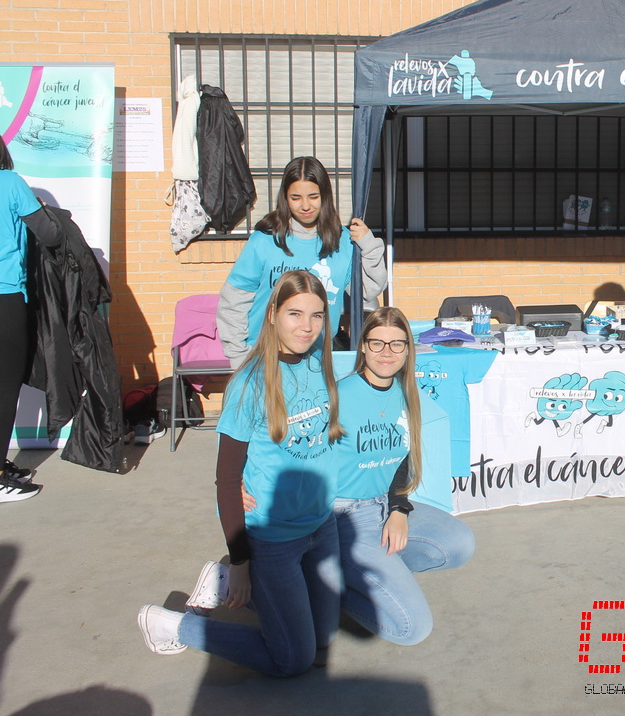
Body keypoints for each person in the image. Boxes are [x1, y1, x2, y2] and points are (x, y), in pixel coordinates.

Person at [137, 270, 346, 677]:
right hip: (274, 539)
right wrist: (240, 561)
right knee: (294, 659)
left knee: (325, 637)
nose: (307, 326)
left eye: (317, 315)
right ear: (272, 314)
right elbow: (228, 479)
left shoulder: (321, 366)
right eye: (295, 314)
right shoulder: (249, 384)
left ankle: (223, 583)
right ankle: (173, 624)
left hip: (322, 527)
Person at [331, 307, 475, 644]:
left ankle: (369, 576)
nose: (387, 352)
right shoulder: (337, 396)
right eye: (377, 343)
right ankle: (323, 587)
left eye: (397, 344)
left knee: (459, 544)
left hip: (384, 505)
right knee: (411, 629)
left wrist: (398, 510)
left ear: (408, 349)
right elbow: (299, 453)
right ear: (362, 346)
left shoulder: (405, 393)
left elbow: (401, 462)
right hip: (344, 516)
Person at [218, 156, 387, 366]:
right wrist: (239, 357)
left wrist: (369, 245)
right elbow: (233, 301)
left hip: (317, 360)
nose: (305, 206)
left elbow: (368, 290)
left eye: (313, 197)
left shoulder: (343, 240)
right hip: (265, 360)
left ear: (325, 196)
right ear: (285, 198)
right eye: (296, 197)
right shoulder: (264, 240)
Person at [0, 137, 62, 502]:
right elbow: (50, 234)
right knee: (5, 388)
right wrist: (40, 209)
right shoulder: (10, 183)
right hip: (5, 298)